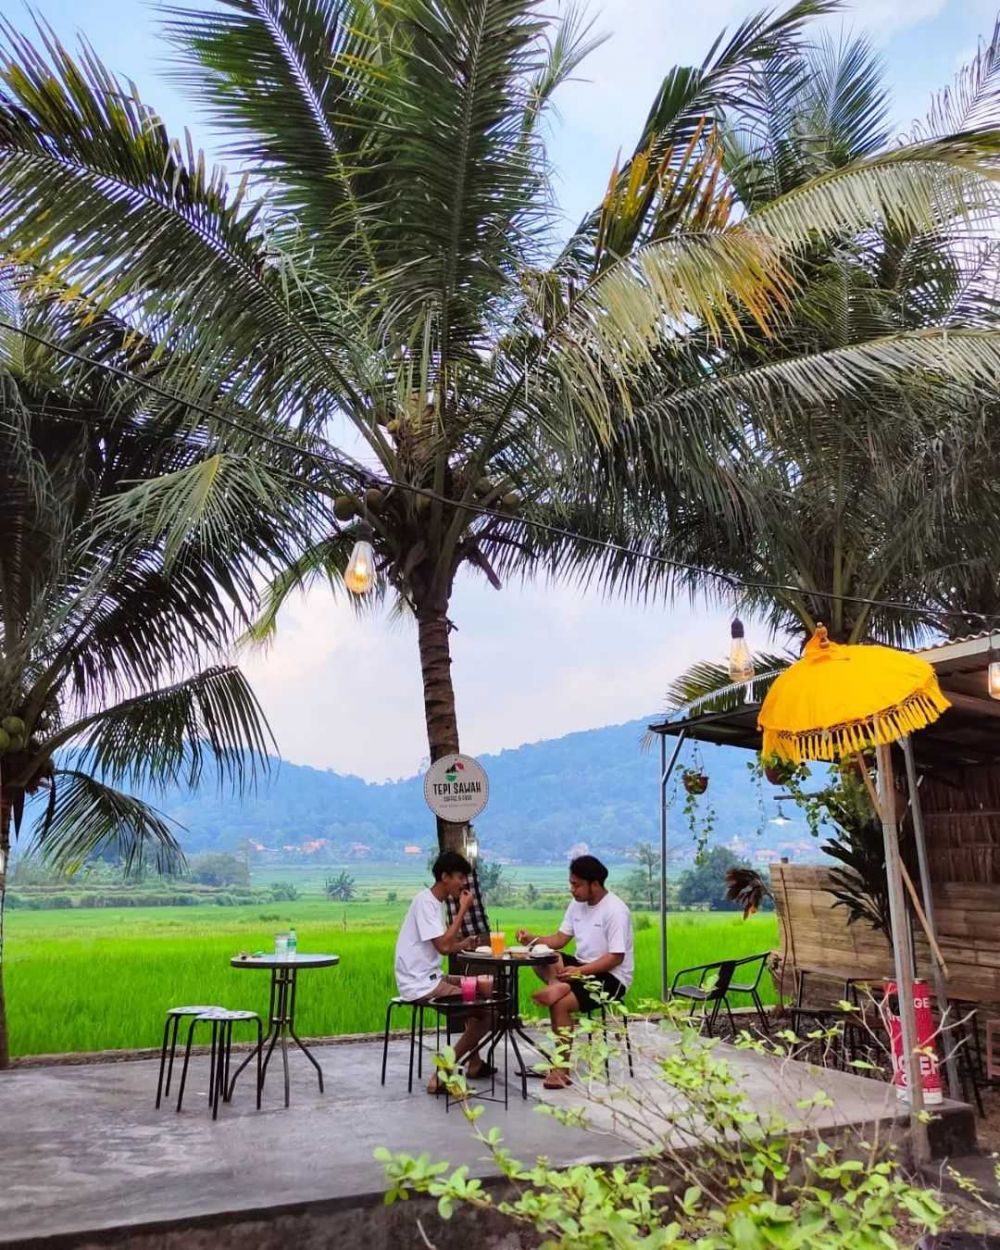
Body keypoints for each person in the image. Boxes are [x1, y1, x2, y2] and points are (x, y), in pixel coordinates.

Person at [516, 854, 633, 1089]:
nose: (572, 890)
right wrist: (532, 939)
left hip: (611, 977)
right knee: (544, 953)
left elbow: (615, 957)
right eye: (571, 883)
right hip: (581, 966)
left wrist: (580, 973)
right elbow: (559, 940)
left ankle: (561, 1070)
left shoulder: (615, 910)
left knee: (559, 1004)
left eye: (577, 884)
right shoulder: (576, 905)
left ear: (595, 884)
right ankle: (557, 985)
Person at [394, 850, 494, 1094]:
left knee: (480, 989)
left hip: (431, 976)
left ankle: (474, 1062)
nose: (463, 883)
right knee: (489, 1013)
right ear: (444, 876)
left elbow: (447, 946)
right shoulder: (425, 902)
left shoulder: (433, 903)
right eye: (460, 877)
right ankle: (442, 1073)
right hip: (421, 983)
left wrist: (463, 944)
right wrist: (461, 909)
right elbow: (442, 945)